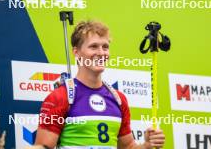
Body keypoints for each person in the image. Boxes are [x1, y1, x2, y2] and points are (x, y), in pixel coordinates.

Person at [35, 20, 165, 149]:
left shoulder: (119, 99)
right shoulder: (59, 97)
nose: (101, 53)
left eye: (105, 47)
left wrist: (146, 145)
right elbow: (43, 147)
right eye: (93, 46)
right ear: (76, 52)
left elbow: (128, 147)